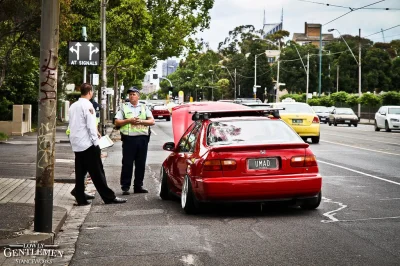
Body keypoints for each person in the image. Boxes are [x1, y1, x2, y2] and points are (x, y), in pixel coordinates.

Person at [68, 83, 127, 206]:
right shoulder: (88, 105)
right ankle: (108, 197)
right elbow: (90, 125)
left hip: (77, 144)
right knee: (98, 172)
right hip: (88, 144)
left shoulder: (73, 106)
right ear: (90, 92)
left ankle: (79, 195)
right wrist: (96, 143)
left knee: (81, 171)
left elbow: (75, 124)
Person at [114, 86, 155, 195]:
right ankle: (125, 186)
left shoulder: (144, 107)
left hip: (142, 139)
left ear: (138, 96)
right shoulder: (124, 107)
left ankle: (138, 186)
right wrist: (129, 120)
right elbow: (117, 122)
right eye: (130, 94)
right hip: (129, 139)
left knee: (140, 163)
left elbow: (152, 121)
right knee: (127, 163)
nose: (131, 96)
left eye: (134, 94)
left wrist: (141, 121)